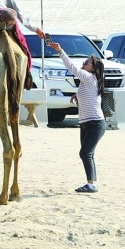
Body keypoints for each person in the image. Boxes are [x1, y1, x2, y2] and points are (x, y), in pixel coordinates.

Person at [44, 33, 105, 193]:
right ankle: (91, 183)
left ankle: (91, 184)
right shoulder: (89, 81)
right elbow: (89, 94)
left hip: (95, 123)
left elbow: (71, 68)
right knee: (87, 154)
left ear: (93, 68)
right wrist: (76, 95)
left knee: (85, 153)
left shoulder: (89, 77)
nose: (85, 63)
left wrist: (60, 50)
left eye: (88, 62)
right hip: (86, 123)